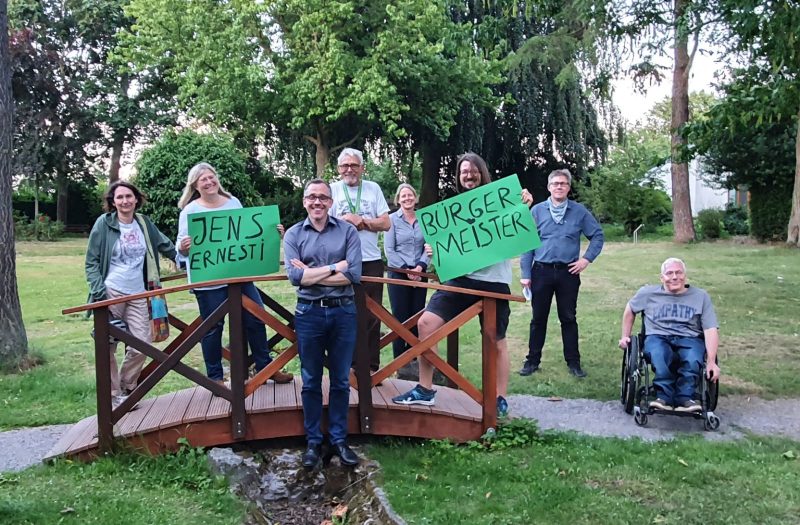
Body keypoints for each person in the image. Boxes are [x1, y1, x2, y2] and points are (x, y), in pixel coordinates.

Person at [392, 153, 533, 418]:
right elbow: (448, 248)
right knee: (426, 323)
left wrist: (523, 204)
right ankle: (424, 389)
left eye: (473, 170)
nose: (468, 175)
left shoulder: (502, 200)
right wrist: (436, 252)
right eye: (463, 171)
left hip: (494, 282)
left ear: (482, 172)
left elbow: (518, 228)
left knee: (496, 340)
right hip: (460, 279)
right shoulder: (453, 209)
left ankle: (499, 397)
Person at [176, 162, 293, 386]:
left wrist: (272, 232)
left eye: (212, 177)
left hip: (239, 276)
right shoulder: (190, 211)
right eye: (204, 180)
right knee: (212, 328)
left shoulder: (233, 202)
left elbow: (246, 234)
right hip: (209, 280)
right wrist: (184, 247)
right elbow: (180, 247)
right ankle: (216, 378)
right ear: (195, 185)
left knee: (257, 317)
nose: (209, 182)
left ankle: (265, 367)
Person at [284, 178, 363, 469]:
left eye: (323, 198)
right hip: (309, 314)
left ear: (331, 202)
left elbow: (353, 274)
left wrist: (313, 273)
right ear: (304, 201)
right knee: (311, 380)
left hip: (343, 311)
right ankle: (313, 441)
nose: (317, 202)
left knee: (342, 379)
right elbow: (295, 278)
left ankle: (339, 439)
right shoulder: (293, 234)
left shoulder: (348, 231)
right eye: (311, 197)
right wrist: (334, 266)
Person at [85, 181, 177, 407]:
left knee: (142, 343)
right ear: (112, 202)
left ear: (136, 199)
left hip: (138, 292)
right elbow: (92, 262)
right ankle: (113, 395)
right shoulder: (103, 224)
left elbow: (167, 246)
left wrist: (189, 259)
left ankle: (127, 387)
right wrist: (99, 293)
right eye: (119, 197)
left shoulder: (144, 223)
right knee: (107, 345)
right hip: (111, 291)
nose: (124, 201)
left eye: (128, 196)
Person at [519, 168, 604, 379]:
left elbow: (597, 235)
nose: (559, 187)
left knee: (568, 317)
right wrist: (525, 273)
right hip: (541, 272)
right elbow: (526, 244)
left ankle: (573, 363)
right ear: (549, 187)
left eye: (563, 184)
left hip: (568, 273)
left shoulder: (579, 212)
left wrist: (586, 260)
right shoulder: (537, 211)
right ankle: (532, 361)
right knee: (538, 319)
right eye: (555, 183)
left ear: (568, 187)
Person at [619, 258, 720, 412]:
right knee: (659, 354)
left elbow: (710, 328)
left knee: (693, 357)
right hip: (657, 336)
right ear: (662, 278)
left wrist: (712, 361)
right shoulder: (648, 293)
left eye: (678, 273)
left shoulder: (700, 296)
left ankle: (685, 398)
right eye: (669, 273)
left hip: (690, 337)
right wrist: (625, 336)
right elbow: (630, 310)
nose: (674, 277)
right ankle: (664, 397)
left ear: (685, 276)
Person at [329, 148, 390, 372]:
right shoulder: (331, 190)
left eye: (354, 165)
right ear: (338, 169)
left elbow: (386, 223)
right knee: (340, 313)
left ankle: (370, 368)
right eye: (345, 166)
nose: (349, 169)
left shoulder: (373, 189)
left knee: (371, 316)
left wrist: (362, 221)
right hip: (339, 260)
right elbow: (321, 222)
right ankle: (343, 367)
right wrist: (344, 221)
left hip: (370, 260)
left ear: (362, 168)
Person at [384, 183, 430, 380]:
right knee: (400, 319)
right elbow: (389, 250)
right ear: (398, 199)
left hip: (420, 273)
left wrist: (420, 266)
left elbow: (429, 245)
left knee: (417, 317)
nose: (407, 198)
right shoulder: (391, 220)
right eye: (403, 196)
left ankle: (414, 362)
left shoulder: (424, 218)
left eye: (410, 195)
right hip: (398, 274)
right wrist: (406, 270)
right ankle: (399, 364)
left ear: (415, 197)